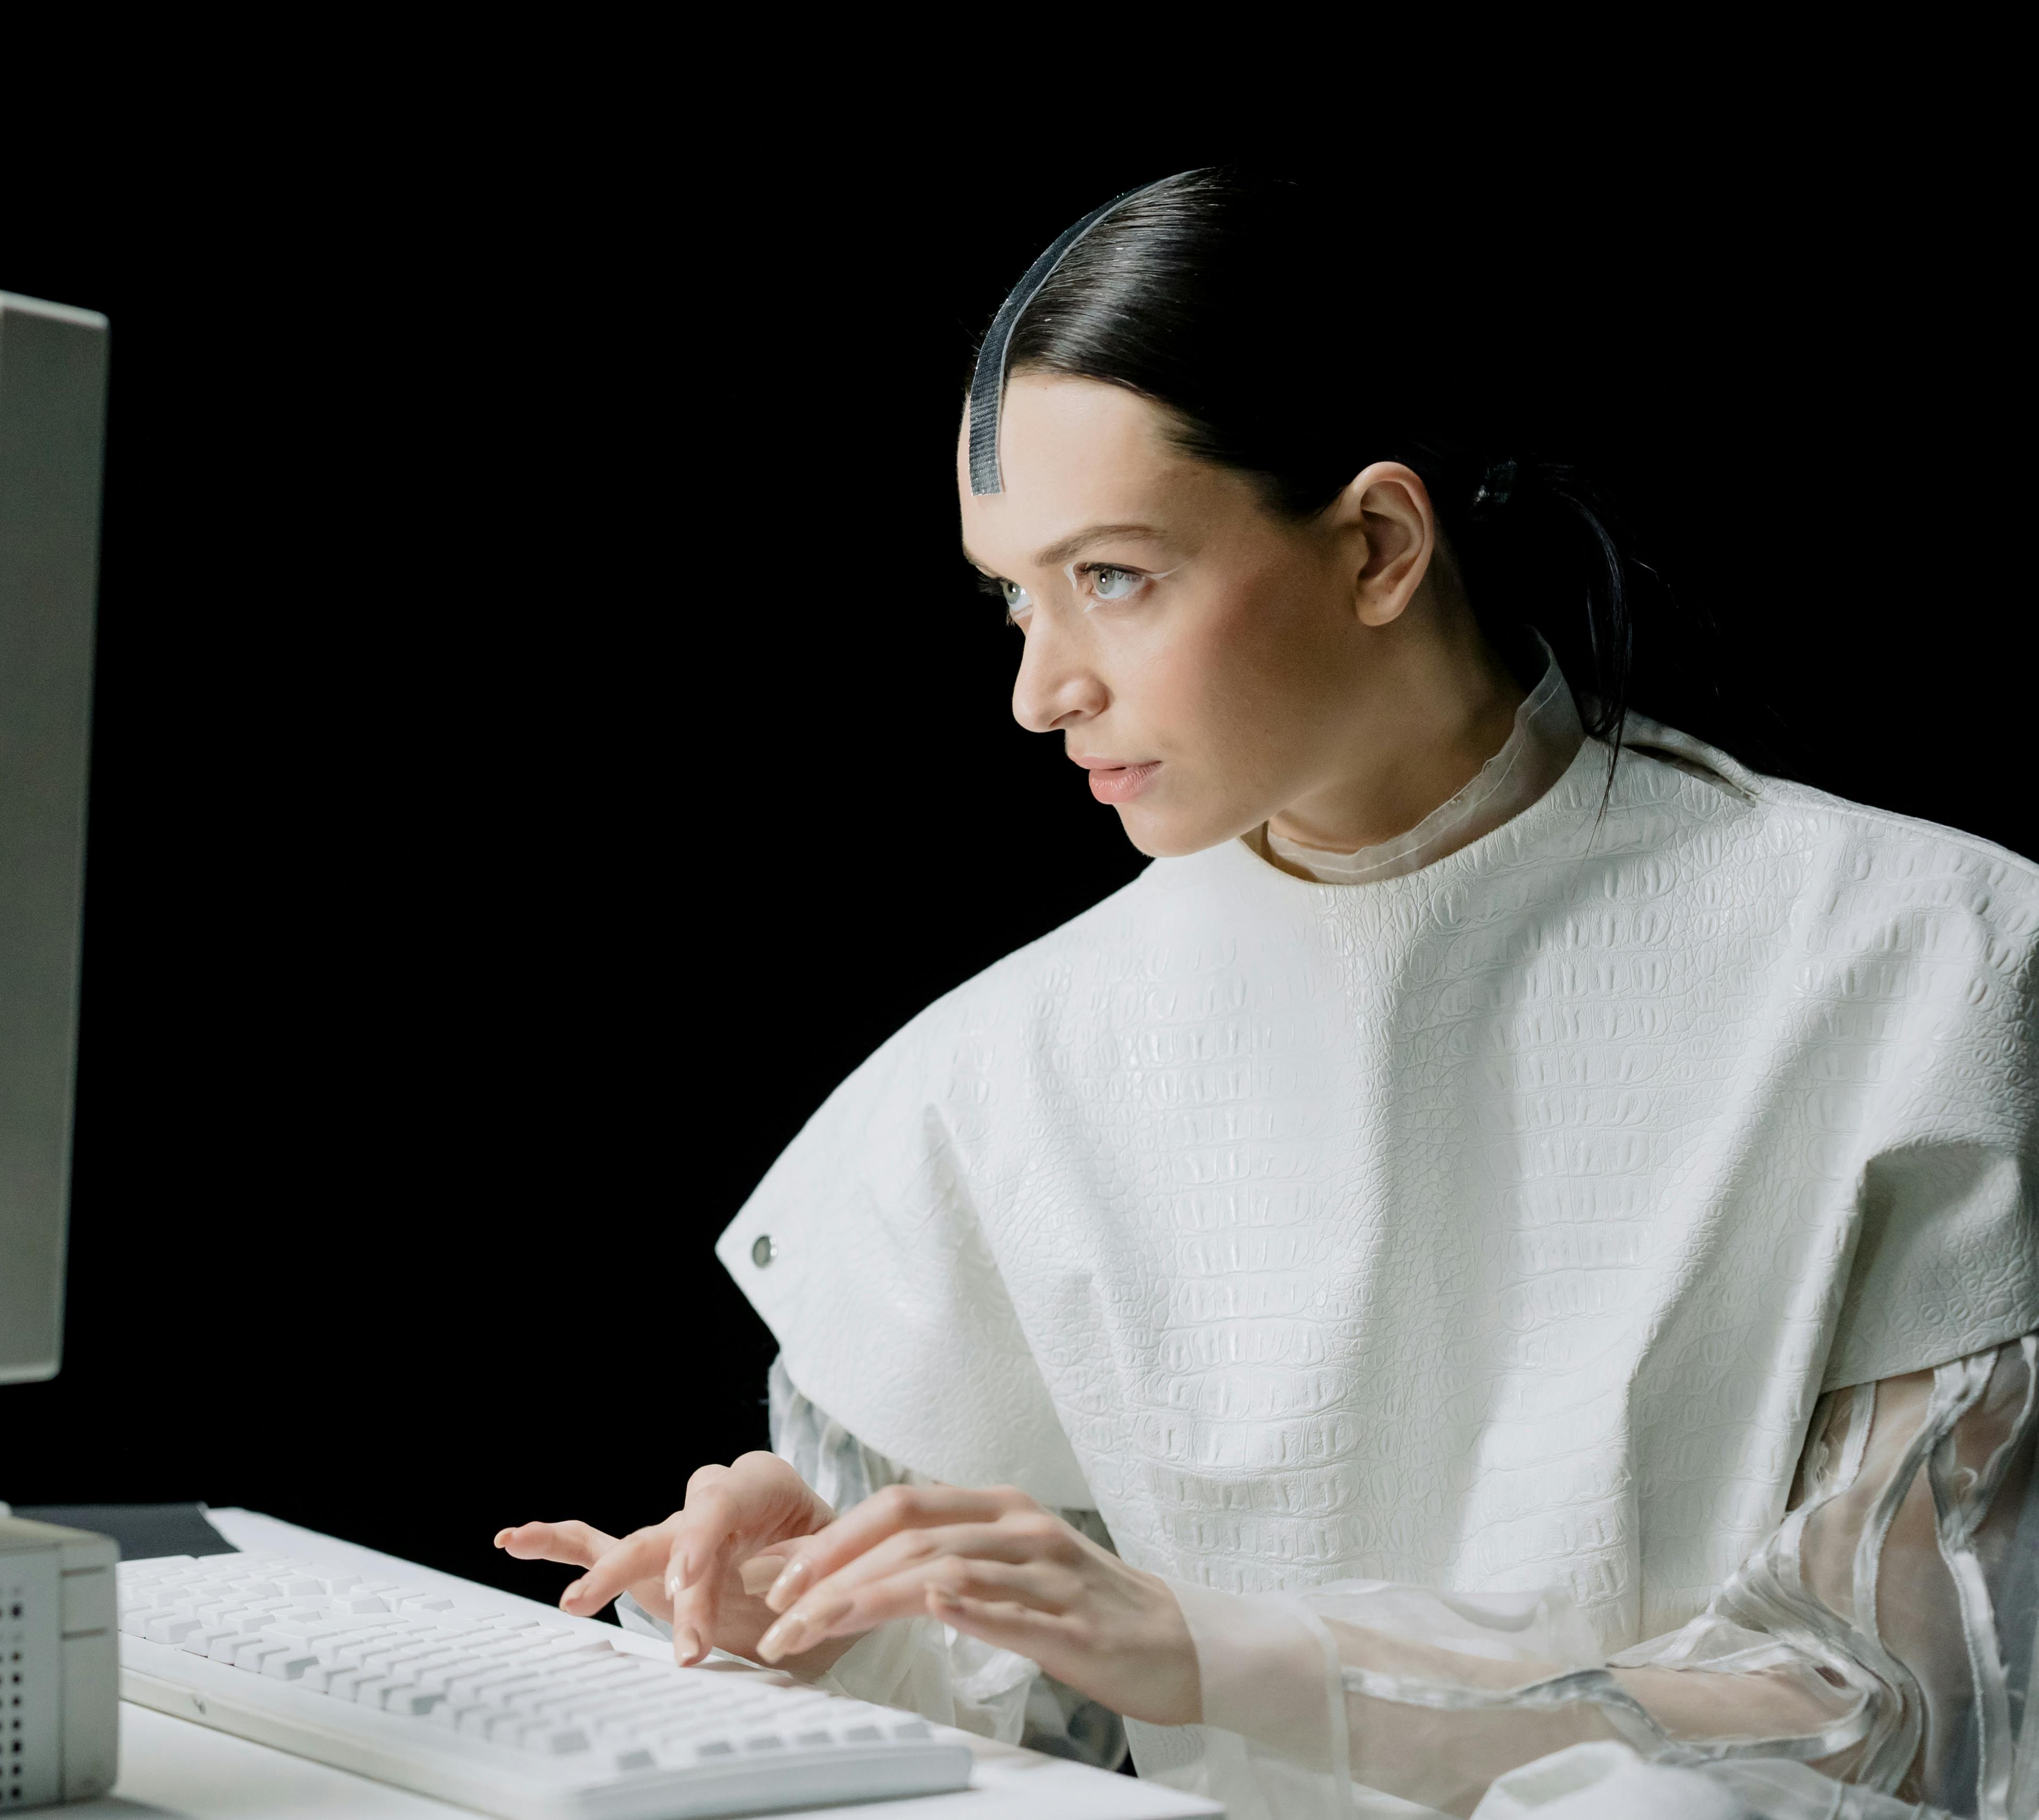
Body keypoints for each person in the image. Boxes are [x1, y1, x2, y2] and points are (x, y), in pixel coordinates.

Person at [495, 171, 2039, 1818]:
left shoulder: (1921, 963)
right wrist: (835, 1618)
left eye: (1114, 576)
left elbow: (1892, 1717)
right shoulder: (998, 1084)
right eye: (1011, 594)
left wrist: (1220, 1655)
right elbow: (1064, 1737)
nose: (1039, 691)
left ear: (1379, 543)